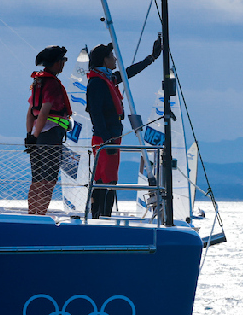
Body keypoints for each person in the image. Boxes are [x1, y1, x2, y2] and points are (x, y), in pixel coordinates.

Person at [85, 38, 162, 218]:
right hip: (105, 139)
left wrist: (151, 58)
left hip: (111, 137)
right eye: (112, 56)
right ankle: (100, 216)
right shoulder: (96, 83)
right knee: (105, 178)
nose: (115, 59)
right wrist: (106, 140)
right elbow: (95, 113)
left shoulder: (107, 78)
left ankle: (105, 215)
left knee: (110, 177)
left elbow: (127, 74)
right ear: (104, 60)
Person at [25, 45, 71, 215]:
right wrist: (35, 135)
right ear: (56, 63)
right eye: (63, 61)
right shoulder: (52, 84)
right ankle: (40, 215)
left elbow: (31, 112)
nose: (64, 64)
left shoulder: (38, 82)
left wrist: (30, 136)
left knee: (36, 180)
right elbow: (44, 111)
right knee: (49, 180)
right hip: (50, 136)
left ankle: (32, 214)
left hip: (35, 137)